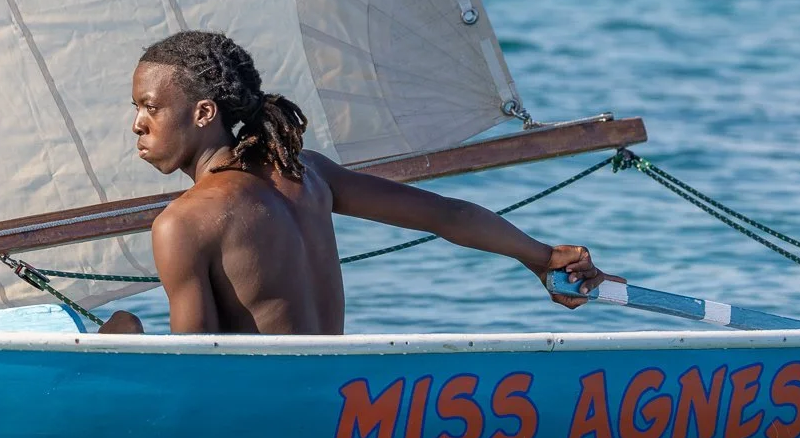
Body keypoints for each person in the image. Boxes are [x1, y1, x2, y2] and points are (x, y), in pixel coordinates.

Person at [98, 31, 612, 335]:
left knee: (122, 326)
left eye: (150, 107)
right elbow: (448, 216)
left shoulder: (183, 224)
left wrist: (114, 345)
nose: (138, 124)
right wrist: (542, 258)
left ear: (204, 112)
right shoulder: (308, 173)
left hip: (264, 421)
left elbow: (192, 374)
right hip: (335, 398)